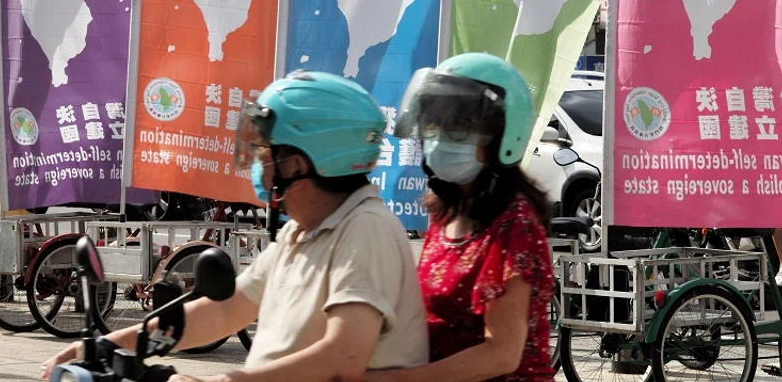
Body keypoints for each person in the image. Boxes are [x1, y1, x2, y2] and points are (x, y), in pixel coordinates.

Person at [42, 70, 429, 382]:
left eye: (265, 152)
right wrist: (108, 346)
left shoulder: (365, 229)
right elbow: (224, 312)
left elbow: (342, 356)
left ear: (299, 162)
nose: (259, 164)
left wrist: (227, 380)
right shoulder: (301, 231)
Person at [364, 52, 555, 382]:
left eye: (461, 126)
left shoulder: (515, 223)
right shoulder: (444, 211)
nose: (440, 138)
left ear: (503, 136)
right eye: (435, 124)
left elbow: (501, 355)